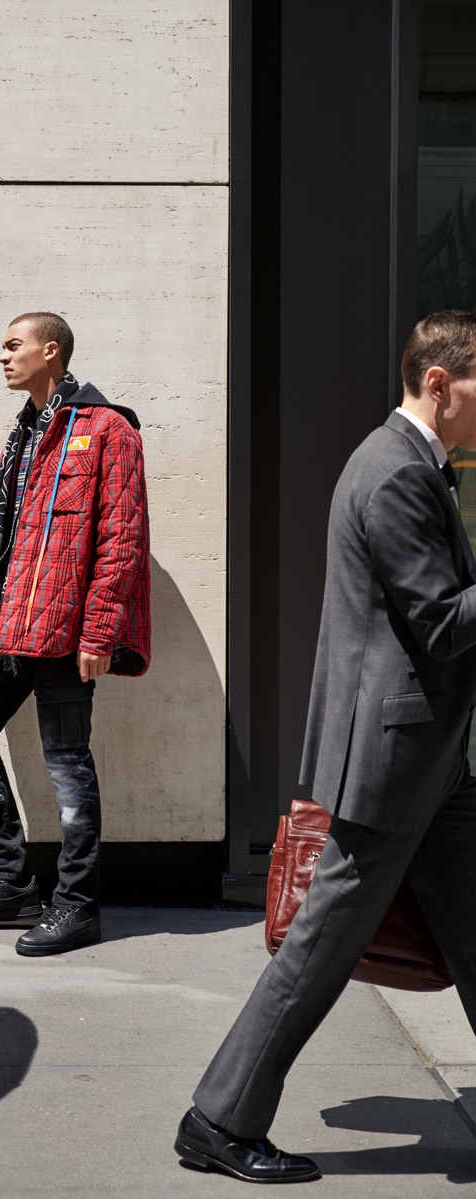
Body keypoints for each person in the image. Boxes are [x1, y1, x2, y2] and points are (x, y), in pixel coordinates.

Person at [175, 309, 476, 1183]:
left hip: (429, 761)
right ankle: (218, 1117)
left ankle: (220, 1113)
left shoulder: (416, 466)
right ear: (437, 382)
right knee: (317, 949)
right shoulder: (394, 474)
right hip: (394, 766)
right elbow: (440, 624)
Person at [0, 312, 150, 956]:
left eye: (13, 345)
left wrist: (98, 632)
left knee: (66, 764)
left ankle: (78, 905)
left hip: (65, 634)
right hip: (7, 629)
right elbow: (6, 541)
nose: (3, 356)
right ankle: (8, 882)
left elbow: (123, 538)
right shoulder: (25, 430)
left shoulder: (107, 429)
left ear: (49, 349)